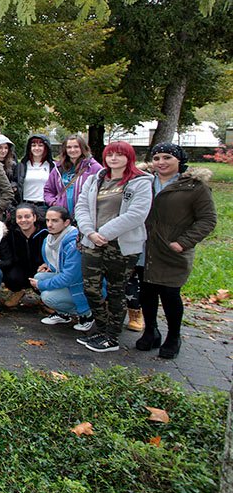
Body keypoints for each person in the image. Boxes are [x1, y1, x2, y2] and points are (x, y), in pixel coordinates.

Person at [139, 143, 217, 359]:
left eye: (167, 158)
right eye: (157, 158)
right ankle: (150, 330)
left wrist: (183, 242)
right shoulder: (144, 181)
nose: (161, 162)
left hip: (172, 249)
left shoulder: (194, 186)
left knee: (170, 293)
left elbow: (207, 219)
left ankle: (174, 336)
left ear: (179, 161)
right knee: (146, 292)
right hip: (144, 246)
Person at [74, 141, 152, 353]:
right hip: (92, 241)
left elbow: (137, 214)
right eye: (110, 155)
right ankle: (101, 327)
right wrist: (90, 232)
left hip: (122, 246)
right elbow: (81, 206)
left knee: (117, 290)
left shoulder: (141, 182)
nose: (114, 159)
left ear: (129, 157)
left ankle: (112, 336)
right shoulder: (95, 179)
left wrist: (105, 233)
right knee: (91, 287)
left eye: (119, 155)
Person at [29, 206, 93, 330]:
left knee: (48, 296)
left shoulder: (74, 242)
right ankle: (63, 314)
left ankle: (87, 314)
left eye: (55, 220)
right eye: (47, 220)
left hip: (82, 285)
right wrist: (48, 265)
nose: (49, 224)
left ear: (66, 222)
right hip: (71, 280)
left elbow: (69, 277)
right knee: (39, 276)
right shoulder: (50, 238)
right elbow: (59, 263)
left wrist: (41, 285)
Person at [1, 204, 47, 308]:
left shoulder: (45, 232)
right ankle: (18, 291)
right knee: (10, 276)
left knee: (46, 277)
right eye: (19, 217)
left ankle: (46, 299)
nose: (23, 220)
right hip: (19, 267)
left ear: (34, 217)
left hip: (40, 267)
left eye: (27, 216)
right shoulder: (11, 233)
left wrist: (47, 264)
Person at [44, 134, 102, 213]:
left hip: (84, 213)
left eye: (76, 147)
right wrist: (54, 203)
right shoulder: (58, 168)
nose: (72, 150)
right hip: (62, 215)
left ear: (82, 148)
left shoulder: (94, 168)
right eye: (69, 147)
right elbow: (48, 190)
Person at [15, 134, 54, 212]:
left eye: (40, 145)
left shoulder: (53, 166)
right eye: (33, 145)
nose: (37, 148)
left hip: (45, 206)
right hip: (25, 205)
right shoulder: (21, 166)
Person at [0, 135, 19, 203]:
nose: (3, 151)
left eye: (6, 148)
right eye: (0, 148)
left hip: (9, 198)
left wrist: (13, 186)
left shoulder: (13, 165)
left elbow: (16, 180)